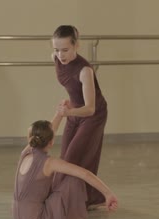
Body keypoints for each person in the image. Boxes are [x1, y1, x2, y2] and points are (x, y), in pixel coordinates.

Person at [12, 112, 118, 219]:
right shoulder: (50, 162)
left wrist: (59, 114)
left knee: (57, 180)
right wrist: (108, 194)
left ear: (30, 139)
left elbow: (48, 131)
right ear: (51, 143)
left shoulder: (25, 154)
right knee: (75, 179)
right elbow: (85, 174)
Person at [51, 25, 108, 208]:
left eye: (65, 50)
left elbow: (90, 108)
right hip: (74, 111)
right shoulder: (56, 59)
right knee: (65, 158)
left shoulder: (85, 71)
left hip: (93, 114)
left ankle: (68, 201)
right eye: (57, 49)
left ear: (77, 46)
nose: (61, 55)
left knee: (76, 157)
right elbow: (73, 89)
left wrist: (68, 112)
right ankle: (86, 199)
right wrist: (70, 106)